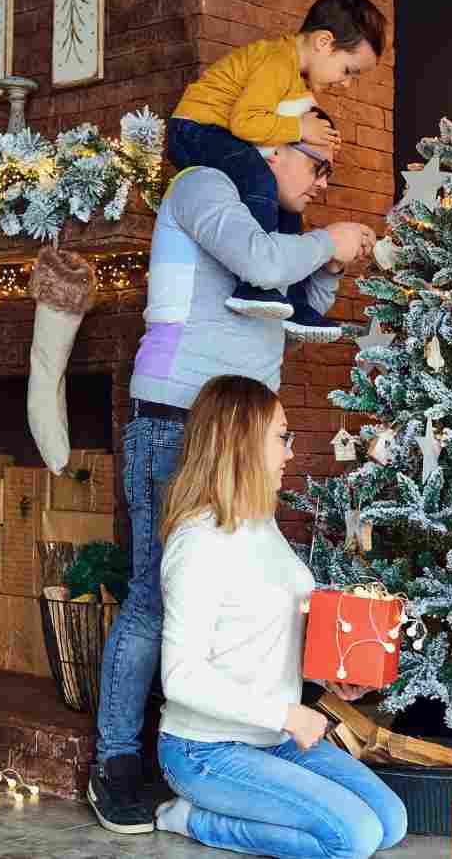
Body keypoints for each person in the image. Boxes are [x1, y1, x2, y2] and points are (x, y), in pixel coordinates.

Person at [88, 115, 376, 834]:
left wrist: (333, 268)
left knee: (251, 579)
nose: (321, 182)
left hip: (245, 430)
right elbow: (265, 261)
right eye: (317, 164)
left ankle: (226, 743)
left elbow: (294, 306)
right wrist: (325, 241)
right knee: (154, 593)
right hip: (178, 417)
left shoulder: (272, 225)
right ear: (272, 147)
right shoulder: (204, 185)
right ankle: (117, 764)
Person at [151, 374, 408, 858]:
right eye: (281, 437)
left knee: (392, 822)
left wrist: (330, 677)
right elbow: (181, 677)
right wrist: (287, 714)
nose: (290, 452)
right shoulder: (199, 544)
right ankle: (197, 819)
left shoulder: (260, 522)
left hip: (274, 738)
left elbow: (270, 628)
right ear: (242, 442)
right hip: (206, 750)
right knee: (353, 838)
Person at [167, 0, 386, 342]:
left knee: (286, 212)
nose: (346, 84)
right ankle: (252, 287)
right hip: (194, 129)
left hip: (220, 133)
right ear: (323, 42)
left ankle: (295, 303)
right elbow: (245, 122)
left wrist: (323, 137)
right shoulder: (276, 60)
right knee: (259, 179)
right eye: (349, 71)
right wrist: (301, 129)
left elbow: (293, 117)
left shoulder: (295, 78)